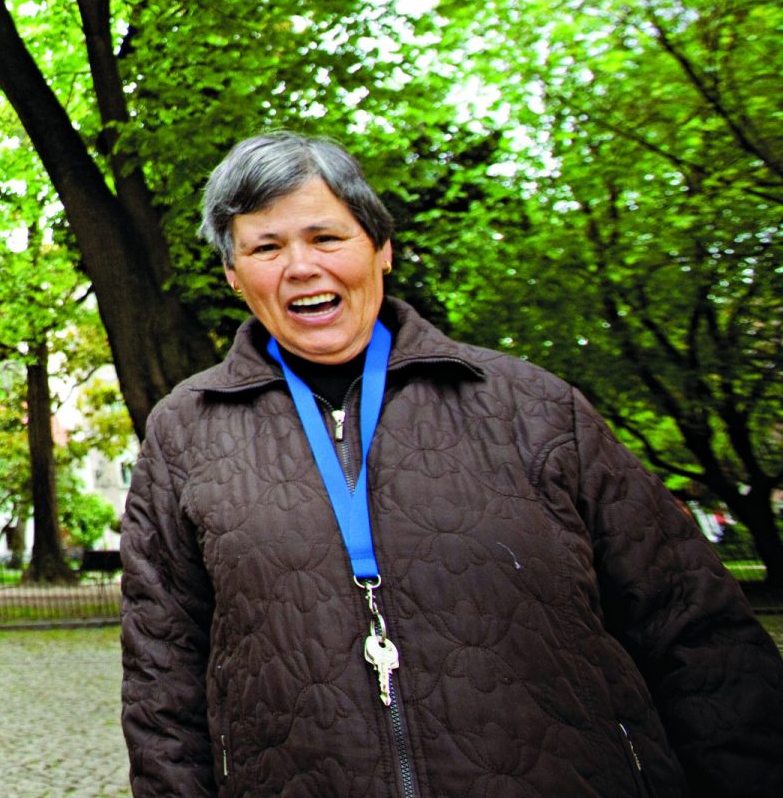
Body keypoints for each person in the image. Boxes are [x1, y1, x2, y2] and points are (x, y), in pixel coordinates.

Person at [121, 130, 783, 798]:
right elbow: (162, 680)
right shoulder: (185, 432)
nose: (299, 267)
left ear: (380, 249)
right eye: (265, 247)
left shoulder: (532, 406)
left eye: (326, 238)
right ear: (234, 275)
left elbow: (696, 635)